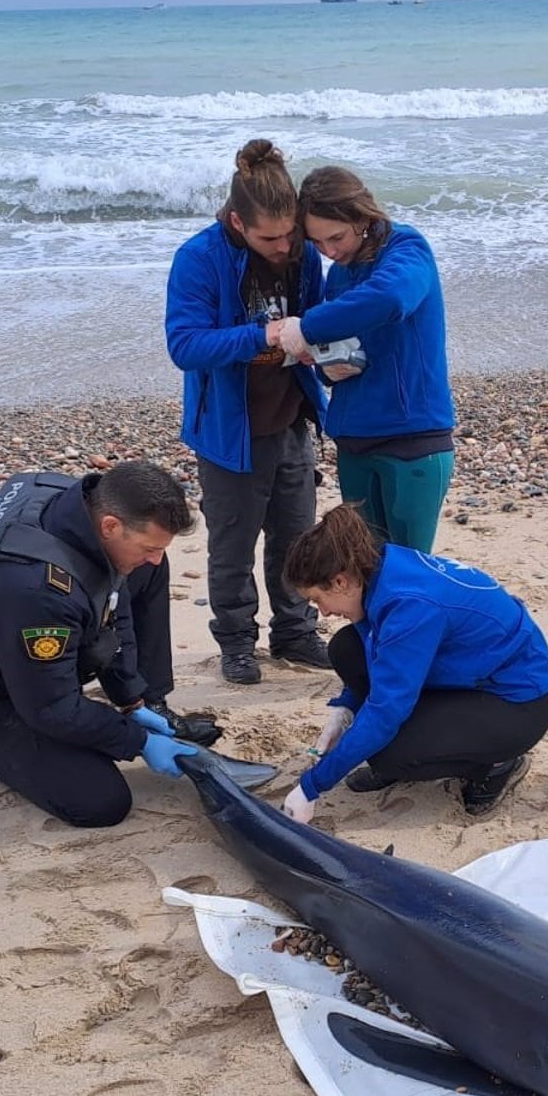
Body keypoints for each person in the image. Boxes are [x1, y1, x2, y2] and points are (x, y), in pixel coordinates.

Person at [0, 463, 207, 828]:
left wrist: (132, 696)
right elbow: (52, 708)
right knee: (100, 801)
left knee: (145, 567)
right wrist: (138, 741)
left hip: (12, 620)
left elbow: (113, 591)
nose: (156, 555)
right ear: (110, 525)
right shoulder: (36, 590)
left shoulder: (81, 502)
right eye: (148, 546)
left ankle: (151, 704)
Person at [166, 138, 334, 687]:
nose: (285, 245)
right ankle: (237, 644)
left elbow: (321, 319)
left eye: (292, 233)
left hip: (292, 420)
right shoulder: (199, 258)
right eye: (271, 237)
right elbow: (185, 346)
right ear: (237, 222)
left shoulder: (303, 254)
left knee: (295, 538)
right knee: (231, 549)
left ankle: (295, 632)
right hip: (227, 432)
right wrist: (261, 335)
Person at [278, 504, 548, 822]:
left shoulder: (410, 606)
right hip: (467, 671)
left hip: (518, 702)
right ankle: (420, 746)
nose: (323, 612)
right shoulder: (377, 567)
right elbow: (371, 645)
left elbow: (385, 712)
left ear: (341, 582)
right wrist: (345, 707)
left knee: (387, 752)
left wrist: (311, 786)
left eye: (318, 599)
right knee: (345, 648)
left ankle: (497, 764)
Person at [276, 166, 455, 553]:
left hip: (413, 436)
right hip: (355, 437)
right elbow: (340, 349)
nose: (331, 252)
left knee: (408, 571)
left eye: (336, 237)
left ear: (361, 215)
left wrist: (307, 326)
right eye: (318, 243)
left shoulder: (407, 249)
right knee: (363, 568)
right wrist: (326, 366)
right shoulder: (339, 274)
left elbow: (391, 298)